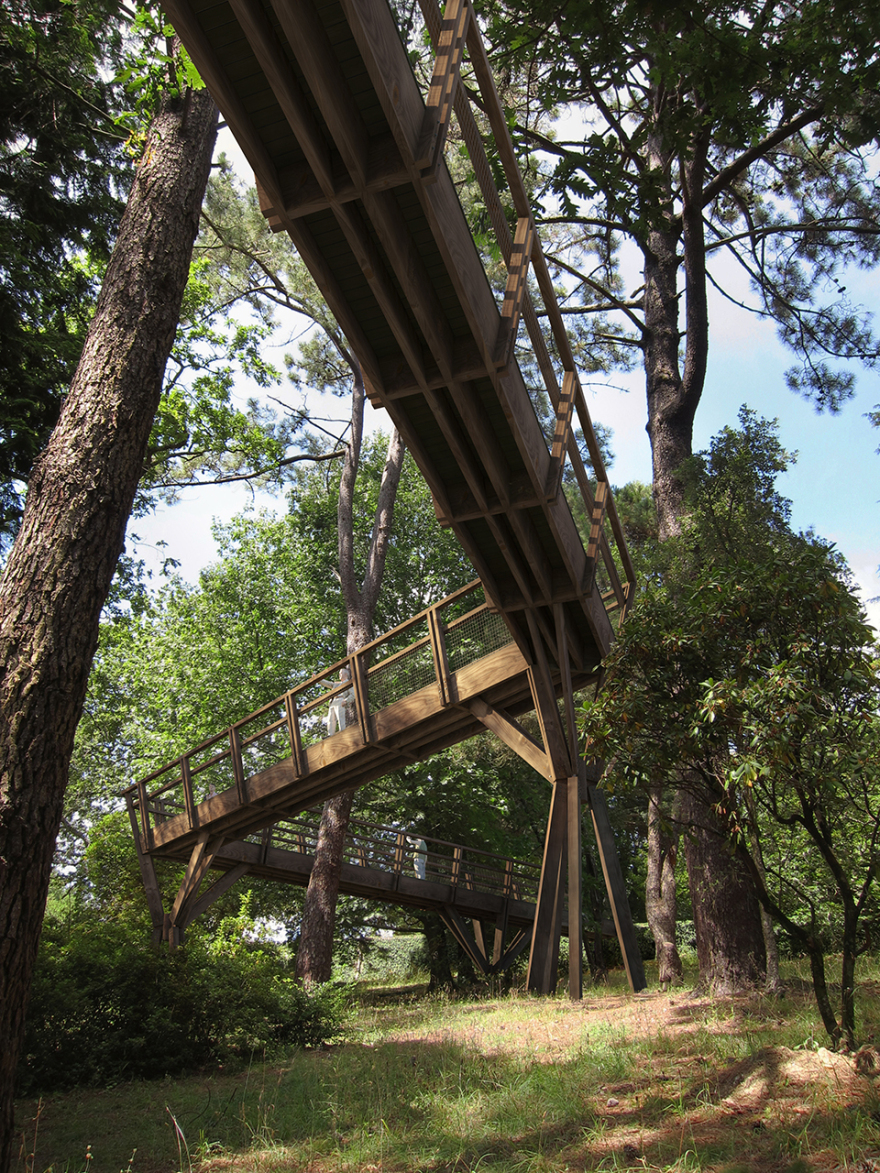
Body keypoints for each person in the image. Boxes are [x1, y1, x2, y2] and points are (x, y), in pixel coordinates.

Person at [326, 666, 354, 736]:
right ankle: (330, 735)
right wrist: (317, 679)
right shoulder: (336, 684)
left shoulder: (348, 682)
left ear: (346, 674)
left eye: (341, 673)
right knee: (330, 719)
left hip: (341, 700)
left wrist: (346, 700)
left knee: (340, 718)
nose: (339, 674)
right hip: (333, 701)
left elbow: (353, 694)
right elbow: (327, 683)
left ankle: (343, 733)